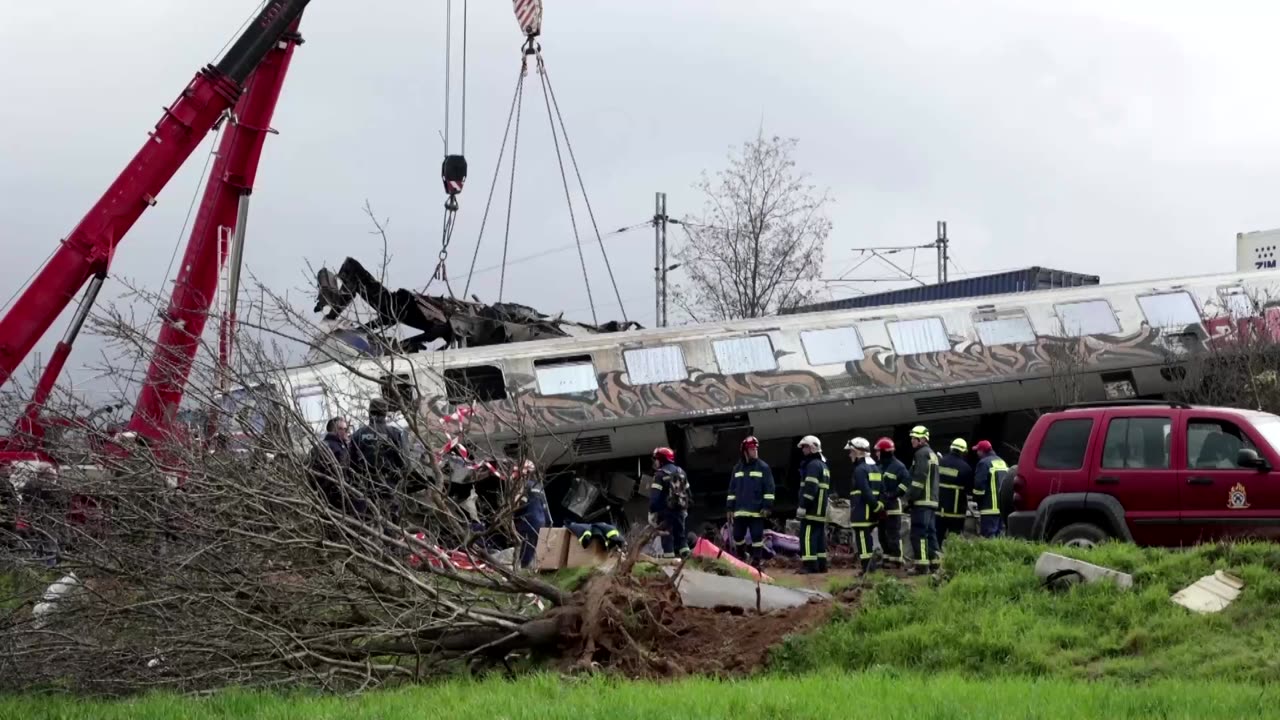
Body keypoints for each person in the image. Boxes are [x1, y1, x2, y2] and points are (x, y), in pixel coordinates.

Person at [350, 398, 408, 522]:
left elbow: (352, 463)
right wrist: (398, 477)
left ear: (369, 413)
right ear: (385, 413)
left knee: (370, 519)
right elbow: (403, 462)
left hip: (366, 484)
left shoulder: (358, 435)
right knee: (392, 518)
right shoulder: (394, 433)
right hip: (388, 483)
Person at [726, 435, 776, 566]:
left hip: (756, 511)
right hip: (740, 511)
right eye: (752, 449)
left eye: (756, 449)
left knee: (756, 536)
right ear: (745, 451)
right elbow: (732, 490)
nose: (755, 451)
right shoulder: (737, 469)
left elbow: (769, 489)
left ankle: (756, 561)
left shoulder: (763, 467)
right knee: (737, 536)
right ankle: (742, 556)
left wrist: (767, 507)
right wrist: (730, 508)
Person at [844, 437, 882, 574]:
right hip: (872, 513)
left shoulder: (859, 470)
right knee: (868, 540)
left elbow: (865, 491)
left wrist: (874, 505)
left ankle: (867, 569)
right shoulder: (876, 468)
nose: (849, 455)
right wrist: (878, 507)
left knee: (862, 541)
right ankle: (870, 568)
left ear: (857, 452)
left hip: (861, 512)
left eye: (851, 452)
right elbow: (881, 490)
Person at [907, 425, 941, 575]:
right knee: (931, 533)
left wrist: (908, 497)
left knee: (918, 533)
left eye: (914, 438)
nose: (912, 441)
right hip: (932, 501)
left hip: (922, 501)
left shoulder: (921, 454)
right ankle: (936, 564)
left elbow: (918, 479)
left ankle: (921, 566)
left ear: (921, 439)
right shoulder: (932, 454)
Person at [795, 435, 830, 574]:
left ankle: (809, 565)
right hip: (821, 509)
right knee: (819, 537)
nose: (803, 449)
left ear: (812, 447)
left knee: (807, 536)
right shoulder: (823, 465)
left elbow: (810, 488)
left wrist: (803, 505)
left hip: (812, 509)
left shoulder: (813, 465)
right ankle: (821, 564)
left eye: (805, 446)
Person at [873, 437, 910, 569]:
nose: (876, 454)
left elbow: (906, 482)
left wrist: (895, 494)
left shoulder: (898, 467)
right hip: (881, 506)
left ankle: (897, 560)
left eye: (878, 451)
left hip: (893, 506)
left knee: (893, 534)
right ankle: (887, 558)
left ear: (884, 452)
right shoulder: (879, 466)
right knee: (882, 535)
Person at [648, 446, 691, 558]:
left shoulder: (659, 475)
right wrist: (685, 509)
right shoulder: (682, 473)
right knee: (681, 538)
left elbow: (655, 497)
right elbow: (689, 494)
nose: (655, 462)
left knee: (667, 539)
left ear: (662, 460)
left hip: (665, 513)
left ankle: (670, 564)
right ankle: (688, 560)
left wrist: (652, 511)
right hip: (680, 512)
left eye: (656, 459)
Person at [938, 438, 974, 550]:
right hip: (956, 512)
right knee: (955, 541)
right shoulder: (966, 468)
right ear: (963, 451)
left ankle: (935, 561)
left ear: (951, 448)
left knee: (936, 538)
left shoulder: (940, 462)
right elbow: (969, 490)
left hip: (939, 510)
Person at [511, 460, 549, 569]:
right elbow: (544, 506)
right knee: (533, 546)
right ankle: (531, 567)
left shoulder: (523, 486)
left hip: (528, 521)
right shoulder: (539, 487)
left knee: (524, 547)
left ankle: (522, 568)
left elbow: (519, 504)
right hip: (541, 521)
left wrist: (513, 516)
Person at [972, 440, 1009, 538]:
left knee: (988, 537)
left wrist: (976, 500)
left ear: (982, 451)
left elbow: (979, 486)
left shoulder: (983, 463)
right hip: (1001, 508)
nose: (977, 453)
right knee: (1000, 538)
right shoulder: (1002, 462)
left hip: (988, 509)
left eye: (978, 450)